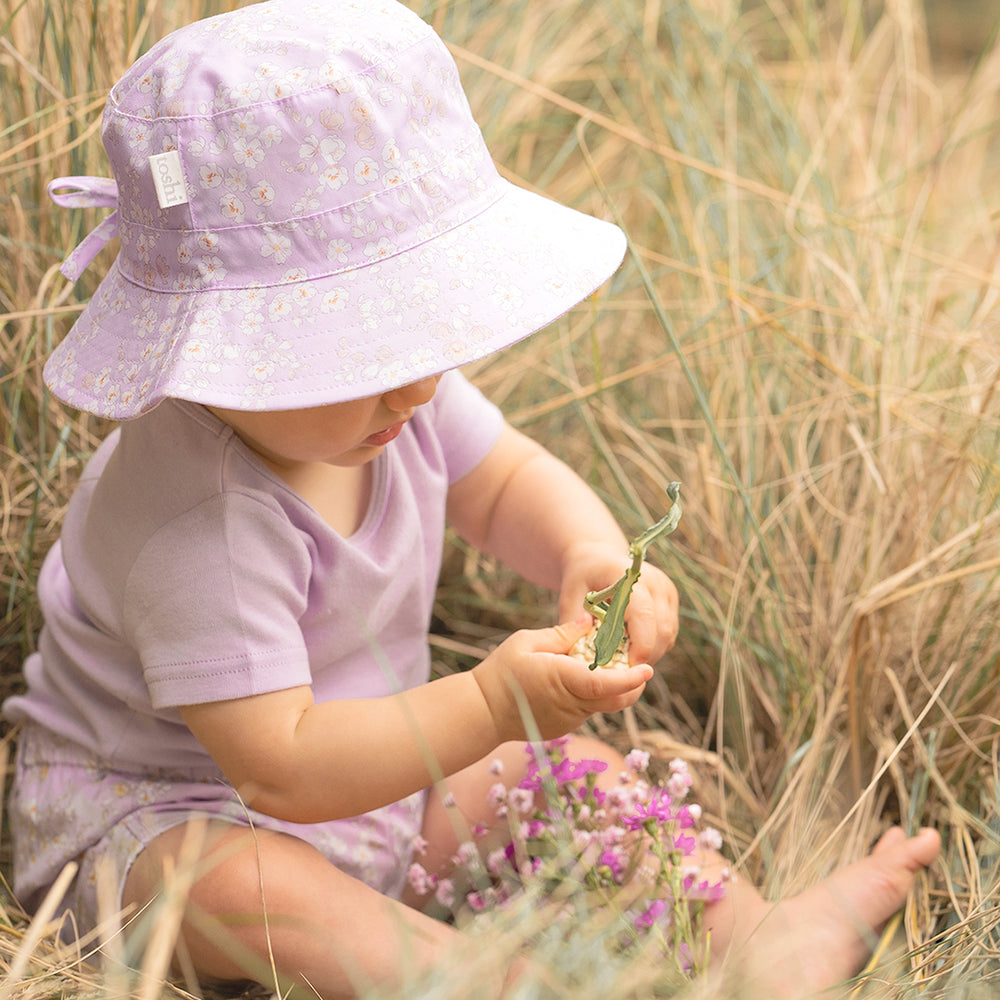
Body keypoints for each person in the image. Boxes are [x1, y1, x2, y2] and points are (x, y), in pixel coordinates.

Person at [5, 1, 940, 997]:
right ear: (225, 343)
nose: (415, 384)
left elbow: (503, 479)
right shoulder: (198, 518)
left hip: (377, 794)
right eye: (362, 342)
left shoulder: (384, 400)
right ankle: (488, 981)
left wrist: (588, 556)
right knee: (242, 887)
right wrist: (492, 700)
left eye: (419, 328)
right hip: (164, 822)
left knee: (558, 771)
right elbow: (278, 768)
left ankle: (751, 935)